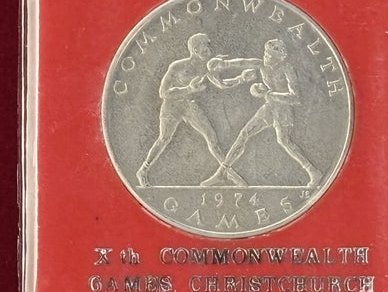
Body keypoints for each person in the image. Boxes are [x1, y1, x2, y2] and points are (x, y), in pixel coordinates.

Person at [136, 33, 255, 188]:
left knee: (211, 137)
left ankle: (228, 174)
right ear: (196, 49)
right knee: (164, 139)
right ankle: (143, 170)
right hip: (171, 107)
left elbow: (222, 84)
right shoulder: (177, 66)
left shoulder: (206, 67)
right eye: (207, 45)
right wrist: (188, 89)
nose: (210, 48)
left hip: (188, 106)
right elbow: (163, 93)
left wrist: (241, 78)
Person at [201, 38, 323, 188]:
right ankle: (221, 173)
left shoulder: (287, 69)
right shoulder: (261, 64)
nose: (266, 58)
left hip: (283, 110)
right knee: (244, 134)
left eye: (270, 56)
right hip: (270, 107)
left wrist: (269, 94)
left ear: (279, 58)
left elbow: (295, 98)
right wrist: (223, 64)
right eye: (265, 54)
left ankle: (313, 171)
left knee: (284, 141)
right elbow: (243, 62)